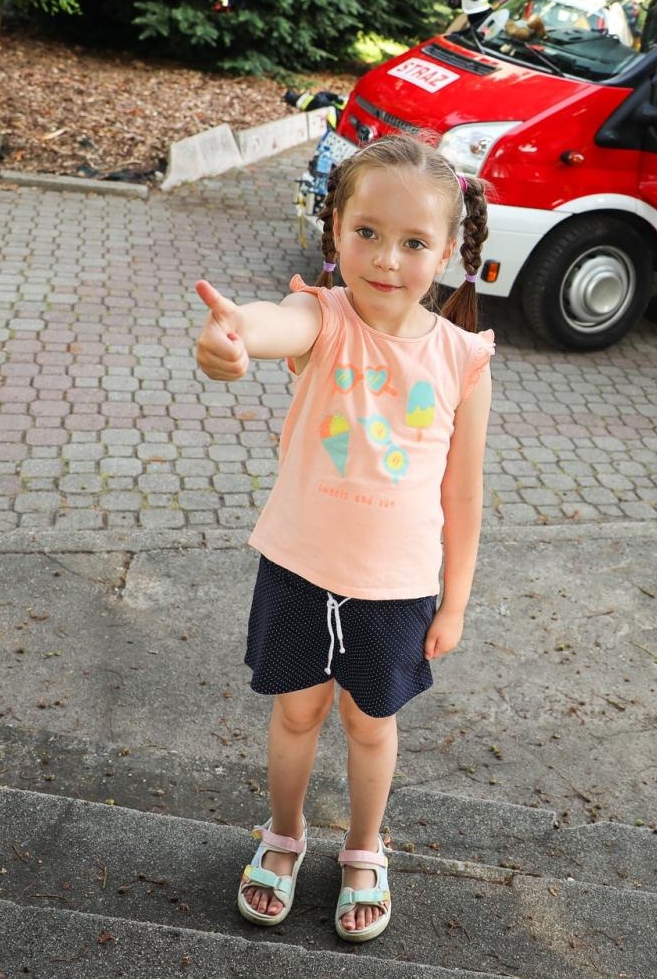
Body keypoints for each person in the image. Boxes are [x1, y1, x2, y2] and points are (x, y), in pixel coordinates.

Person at [196, 134, 496, 941]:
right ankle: (284, 834)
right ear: (335, 230)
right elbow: (270, 326)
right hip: (300, 571)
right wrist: (232, 339)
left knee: (371, 724)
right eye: (366, 232)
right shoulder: (322, 318)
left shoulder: (464, 357)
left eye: (412, 242)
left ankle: (365, 845)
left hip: (398, 589)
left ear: (447, 252)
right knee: (296, 716)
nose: (386, 259)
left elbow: (462, 496)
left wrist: (456, 600)